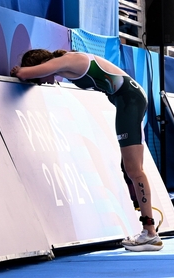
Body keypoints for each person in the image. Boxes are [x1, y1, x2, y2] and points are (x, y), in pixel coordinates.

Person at [10, 49, 162, 252]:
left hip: (129, 101)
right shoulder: (66, 63)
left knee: (134, 170)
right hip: (127, 100)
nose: (42, 83)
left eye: (39, 79)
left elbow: (24, 74)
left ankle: (150, 233)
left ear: (42, 65)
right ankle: (149, 231)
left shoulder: (65, 61)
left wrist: (20, 70)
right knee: (132, 169)